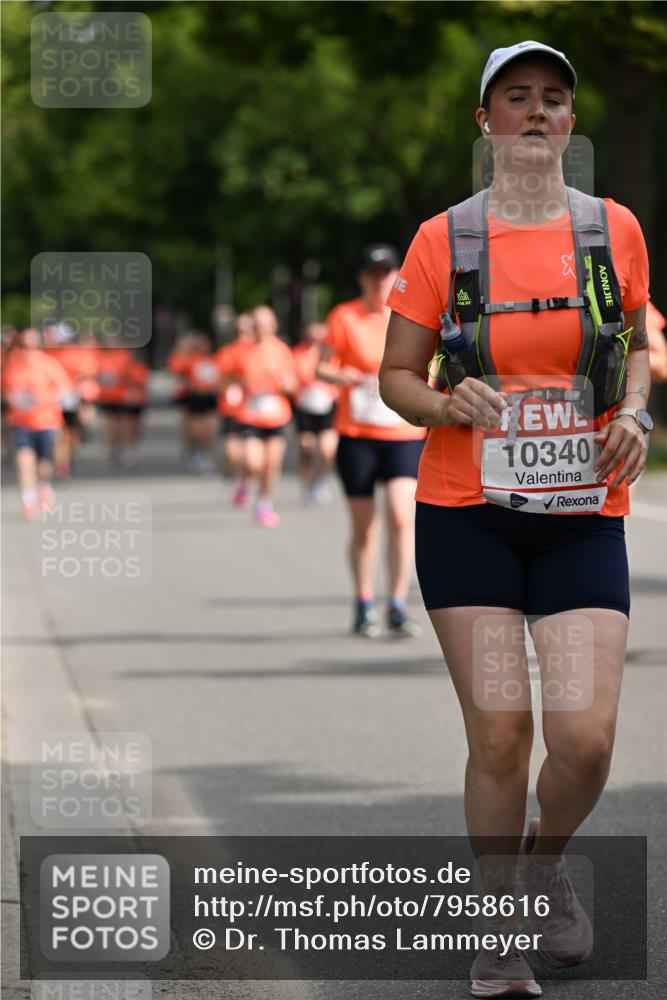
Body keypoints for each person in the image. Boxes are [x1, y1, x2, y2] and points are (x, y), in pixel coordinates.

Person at [379, 41, 650, 997]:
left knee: (582, 742)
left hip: (582, 515)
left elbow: (637, 344)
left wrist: (634, 411)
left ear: (570, 124)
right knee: (500, 733)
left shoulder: (609, 228)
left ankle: (542, 869)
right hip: (467, 514)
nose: (536, 113)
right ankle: (498, 934)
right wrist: (444, 405)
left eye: (553, 100)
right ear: (484, 122)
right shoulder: (440, 239)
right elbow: (397, 380)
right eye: (516, 99)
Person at [317, 245, 426, 638]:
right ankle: (364, 602)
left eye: (386, 271)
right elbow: (321, 367)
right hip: (358, 434)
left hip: (404, 434)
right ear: (362, 278)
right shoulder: (344, 316)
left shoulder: (412, 315)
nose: (379, 279)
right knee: (365, 528)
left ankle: (396, 603)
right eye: (372, 272)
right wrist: (338, 376)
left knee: (401, 518)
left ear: (397, 274)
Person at [217, 305, 296, 527]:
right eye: (258, 324)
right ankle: (246, 480)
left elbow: (292, 386)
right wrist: (240, 383)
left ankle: (264, 504)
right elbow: (224, 379)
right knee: (253, 462)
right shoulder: (240, 351)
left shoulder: (282, 350)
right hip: (249, 414)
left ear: (274, 325)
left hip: (277, 414)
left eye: (266, 324)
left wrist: (282, 380)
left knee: (271, 464)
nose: (262, 328)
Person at [1, 327, 72, 519]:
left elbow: (65, 391)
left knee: (43, 464)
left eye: (31, 345)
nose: (27, 349)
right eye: (23, 345)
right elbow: (7, 391)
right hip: (21, 422)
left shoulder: (49, 364)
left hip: (47, 421)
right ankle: (28, 500)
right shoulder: (13, 366)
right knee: (24, 460)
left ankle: (43, 486)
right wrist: (15, 399)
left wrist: (45, 398)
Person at [291, 321, 339, 504]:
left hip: (327, 404)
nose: (315, 339)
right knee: (306, 447)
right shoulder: (297, 354)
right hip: (305, 405)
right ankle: (306, 483)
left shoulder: (331, 353)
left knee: (327, 449)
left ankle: (318, 479)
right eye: (311, 335)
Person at [168, 330, 220, 473]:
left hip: (210, 397)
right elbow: (179, 374)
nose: (202, 347)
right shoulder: (189, 359)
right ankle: (193, 450)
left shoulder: (214, 359)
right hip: (193, 397)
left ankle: (206, 454)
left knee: (210, 428)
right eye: (199, 344)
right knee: (194, 428)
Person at [215, 312, 255, 494]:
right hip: (232, 407)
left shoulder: (261, 351)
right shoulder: (228, 352)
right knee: (232, 451)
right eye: (240, 329)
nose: (244, 334)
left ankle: (244, 481)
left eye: (248, 329)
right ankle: (229, 475)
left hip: (255, 409)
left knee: (251, 455)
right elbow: (219, 379)